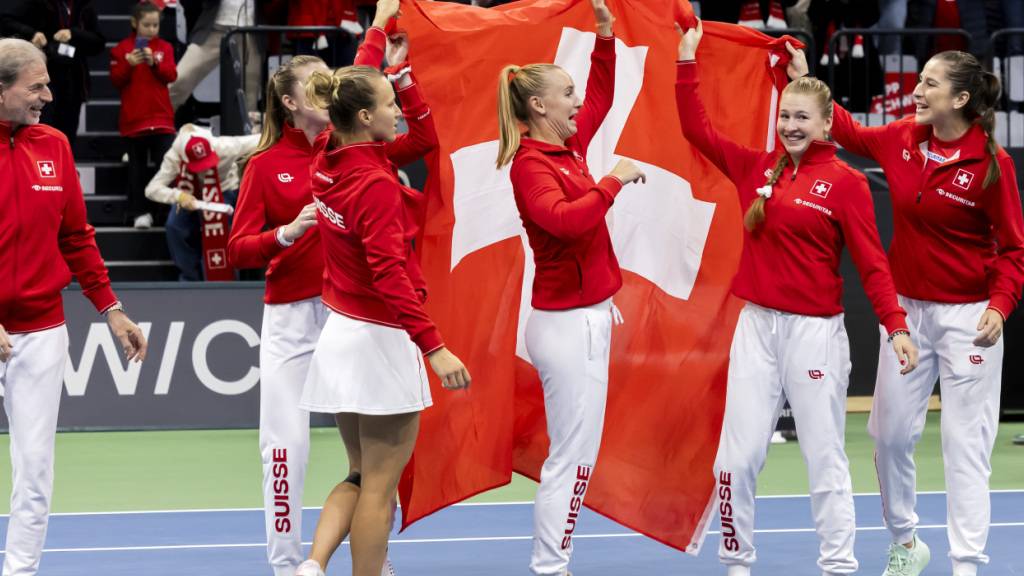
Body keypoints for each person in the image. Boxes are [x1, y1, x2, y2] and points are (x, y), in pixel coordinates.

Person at [675, 21, 918, 576]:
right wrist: (686, 60)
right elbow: (697, 129)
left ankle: (838, 565)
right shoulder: (756, 168)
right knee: (735, 460)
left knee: (823, 455)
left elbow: (873, 265)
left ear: (827, 123)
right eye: (784, 116)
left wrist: (896, 326)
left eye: (801, 117)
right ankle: (736, 563)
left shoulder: (847, 183)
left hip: (814, 335)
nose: (789, 125)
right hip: (755, 328)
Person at [786, 41, 1024, 576]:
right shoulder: (902, 139)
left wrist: (1000, 306)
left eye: (930, 84)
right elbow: (844, 130)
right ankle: (906, 541)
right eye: (919, 79)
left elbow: (1012, 249)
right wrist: (807, 73)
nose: (916, 90)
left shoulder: (992, 165)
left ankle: (966, 563)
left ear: (960, 98)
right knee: (889, 435)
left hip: (971, 321)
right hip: (908, 318)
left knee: (966, 445)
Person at [228, 2, 423, 573]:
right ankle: (288, 565)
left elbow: (363, 78)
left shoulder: (348, 149)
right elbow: (238, 249)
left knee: (367, 459)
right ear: (290, 104)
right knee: (285, 449)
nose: (328, 92)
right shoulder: (266, 165)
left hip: (346, 316)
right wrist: (284, 234)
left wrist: (381, 29)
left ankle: (372, 560)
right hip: (290, 317)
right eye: (316, 88)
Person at [294, 6, 471, 576]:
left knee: (356, 472)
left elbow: (374, 101)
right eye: (390, 106)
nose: (399, 113)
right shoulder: (374, 184)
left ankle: (311, 565)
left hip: (342, 331)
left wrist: (385, 48)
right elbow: (391, 275)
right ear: (367, 116)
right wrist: (434, 346)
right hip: (379, 338)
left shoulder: (329, 153)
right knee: (380, 486)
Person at [495, 1, 646, 574]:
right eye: (567, 92)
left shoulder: (565, 148)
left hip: (588, 318)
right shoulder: (530, 164)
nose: (578, 98)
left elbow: (603, 97)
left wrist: (605, 35)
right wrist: (614, 181)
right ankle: (551, 566)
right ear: (539, 105)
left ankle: (555, 561)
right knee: (572, 458)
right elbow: (564, 221)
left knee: (579, 455)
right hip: (566, 325)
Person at [0, 38, 148, 576]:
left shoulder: (55, 144)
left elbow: (77, 237)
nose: (47, 94)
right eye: (35, 86)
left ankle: (19, 572)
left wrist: (112, 309)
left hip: (40, 329)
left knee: (34, 468)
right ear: (2, 87)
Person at [145, 123, 258, 281]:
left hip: (224, 191)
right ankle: (189, 278)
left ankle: (223, 279)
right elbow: (151, 189)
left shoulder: (224, 146)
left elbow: (259, 140)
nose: (204, 169)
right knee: (174, 227)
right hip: (188, 194)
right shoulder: (175, 156)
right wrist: (179, 197)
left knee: (224, 228)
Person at [110, 0, 178, 229]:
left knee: (166, 168)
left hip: (161, 119)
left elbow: (171, 75)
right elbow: (116, 80)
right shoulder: (121, 49)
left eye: (155, 25)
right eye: (147, 25)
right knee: (136, 171)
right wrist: (129, 64)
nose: (151, 30)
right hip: (134, 121)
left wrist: (154, 64)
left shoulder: (165, 47)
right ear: (134, 23)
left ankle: (166, 213)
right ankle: (139, 213)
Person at [0, 0, 105, 146]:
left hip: (73, 79)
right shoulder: (40, 3)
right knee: (40, 126)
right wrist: (32, 34)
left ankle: (62, 165)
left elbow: (98, 43)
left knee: (67, 131)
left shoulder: (84, 5)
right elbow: (6, 21)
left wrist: (74, 34)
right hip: (42, 73)